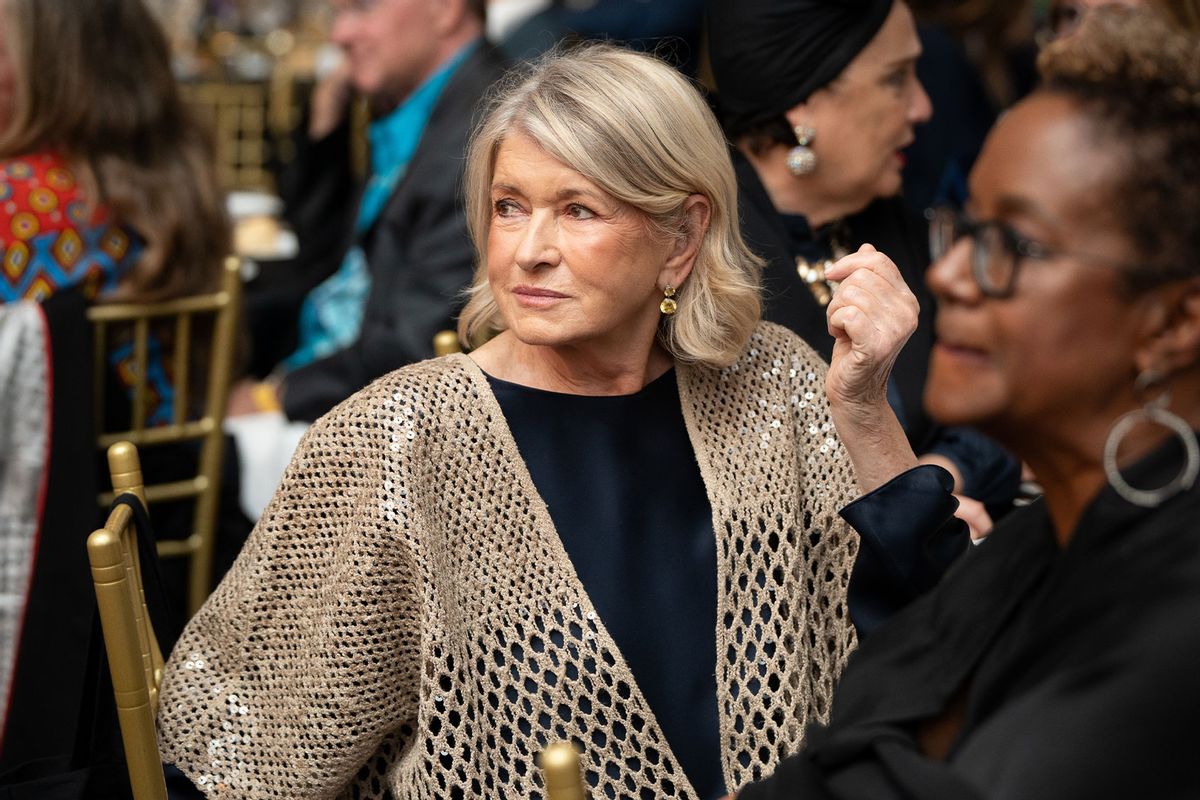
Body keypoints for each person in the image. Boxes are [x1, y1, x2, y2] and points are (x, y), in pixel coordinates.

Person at [155, 44, 947, 799]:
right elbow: (236, 754)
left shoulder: (773, 384)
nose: (529, 250)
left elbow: (932, 639)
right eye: (509, 207)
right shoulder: (398, 440)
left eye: (578, 210)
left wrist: (862, 409)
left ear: (683, 237)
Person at [733, 9, 1200, 798]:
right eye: (968, 228)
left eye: (1014, 244)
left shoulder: (1170, 624)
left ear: (1173, 322)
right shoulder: (1048, 544)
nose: (948, 277)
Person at [0, 0, 230, 773]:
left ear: (45, 66)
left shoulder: (20, 201)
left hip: (50, 529)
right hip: (160, 514)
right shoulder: (179, 175)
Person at [705, 0, 1020, 545]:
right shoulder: (705, 260)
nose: (923, 107)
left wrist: (932, 483)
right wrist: (907, 504)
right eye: (896, 80)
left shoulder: (898, 225)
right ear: (803, 103)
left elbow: (1005, 402)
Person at [232, 0, 507, 422]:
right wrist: (328, 127)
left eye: (360, 8)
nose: (339, 35)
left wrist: (277, 397)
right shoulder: (412, 103)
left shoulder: (486, 128)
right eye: (337, 13)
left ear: (445, 8)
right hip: (323, 367)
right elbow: (323, 260)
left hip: (373, 420)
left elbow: (418, 343)